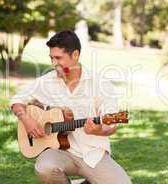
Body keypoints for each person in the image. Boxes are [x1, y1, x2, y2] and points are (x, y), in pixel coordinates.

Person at [10, 30, 132, 184]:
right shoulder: (47, 81)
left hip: (92, 154)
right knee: (44, 167)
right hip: (59, 152)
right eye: (51, 58)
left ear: (75, 55)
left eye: (58, 58)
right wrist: (27, 120)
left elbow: (111, 125)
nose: (54, 63)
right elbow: (16, 100)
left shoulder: (100, 84)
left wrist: (99, 130)